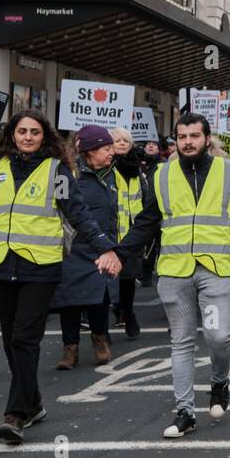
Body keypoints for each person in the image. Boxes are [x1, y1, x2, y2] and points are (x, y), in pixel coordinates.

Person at [0, 109, 121, 443]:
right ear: (12, 135)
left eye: (34, 132)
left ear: (44, 136)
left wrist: (106, 247)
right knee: (10, 342)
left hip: (40, 269)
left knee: (24, 339)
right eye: (22, 131)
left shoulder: (56, 170)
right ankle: (34, 404)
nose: (28, 137)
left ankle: (15, 415)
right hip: (1, 267)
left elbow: (78, 214)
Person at [114, 112, 230, 438]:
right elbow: (146, 223)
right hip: (174, 273)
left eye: (194, 136)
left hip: (214, 270)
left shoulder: (229, 171)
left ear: (206, 138)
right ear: (176, 140)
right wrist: (118, 254)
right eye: (182, 136)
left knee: (218, 337)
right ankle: (185, 411)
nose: (188, 142)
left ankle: (219, 382)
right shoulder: (161, 175)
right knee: (181, 342)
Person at [53, 125, 147, 370]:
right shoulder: (68, 175)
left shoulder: (113, 174)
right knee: (69, 302)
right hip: (74, 248)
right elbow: (61, 210)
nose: (111, 152)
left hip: (103, 247)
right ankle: (69, 348)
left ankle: (100, 341)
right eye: (105, 148)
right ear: (89, 151)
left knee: (99, 299)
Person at [109, 126, 149, 336]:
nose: (123, 143)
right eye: (118, 140)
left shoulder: (138, 172)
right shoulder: (104, 168)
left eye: (126, 140)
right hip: (109, 232)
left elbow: (144, 199)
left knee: (128, 278)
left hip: (132, 235)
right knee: (106, 278)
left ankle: (127, 312)